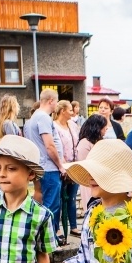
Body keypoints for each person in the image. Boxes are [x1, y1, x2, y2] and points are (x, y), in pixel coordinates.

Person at [24, 88, 64, 246]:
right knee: (51, 205)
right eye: (56, 102)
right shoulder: (43, 118)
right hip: (48, 167)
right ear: (51, 101)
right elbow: (50, 145)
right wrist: (60, 165)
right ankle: (49, 240)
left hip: (38, 166)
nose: (56, 106)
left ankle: (43, 239)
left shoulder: (31, 119)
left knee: (43, 203)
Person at [53, 100, 82, 239]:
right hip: (61, 166)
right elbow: (57, 148)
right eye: (70, 110)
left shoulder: (72, 125)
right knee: (59, 198)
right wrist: (63, 166)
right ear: (62, 111)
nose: (72, 112)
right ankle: (57, 228)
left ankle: (74, 226)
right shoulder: (54, 126)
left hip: (74, 165)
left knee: (71, 198)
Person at [77, 114, 109, 209]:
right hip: (89, 181)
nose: (106, 129)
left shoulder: (95, 142)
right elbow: (86, 164)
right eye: (104, 127)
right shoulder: (85, 143)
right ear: (97, 128)